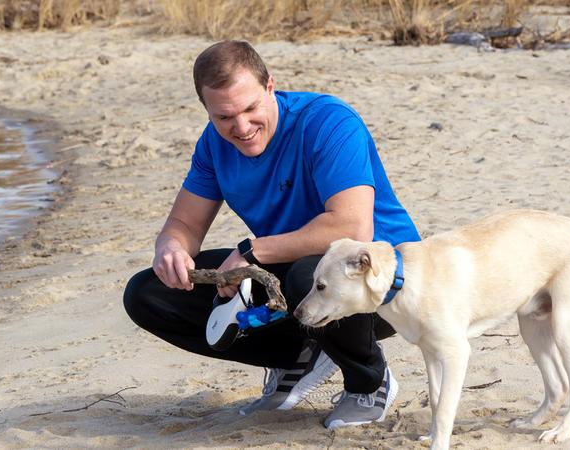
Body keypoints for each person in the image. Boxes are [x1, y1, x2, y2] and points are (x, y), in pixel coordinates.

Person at [123, 40, 421, 429]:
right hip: (289, 273)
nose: (241, 128)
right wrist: (171, 250)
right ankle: (298, 359)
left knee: (305, 276)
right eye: (225, 116)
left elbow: (351, 227)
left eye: (250, 108)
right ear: (207, 110)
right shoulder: (215, 144)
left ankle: (368, 381)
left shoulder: (329, 122)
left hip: (379, 282)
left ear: (270, 87)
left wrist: (251, 251)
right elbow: (184, 226)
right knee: (148, 293)